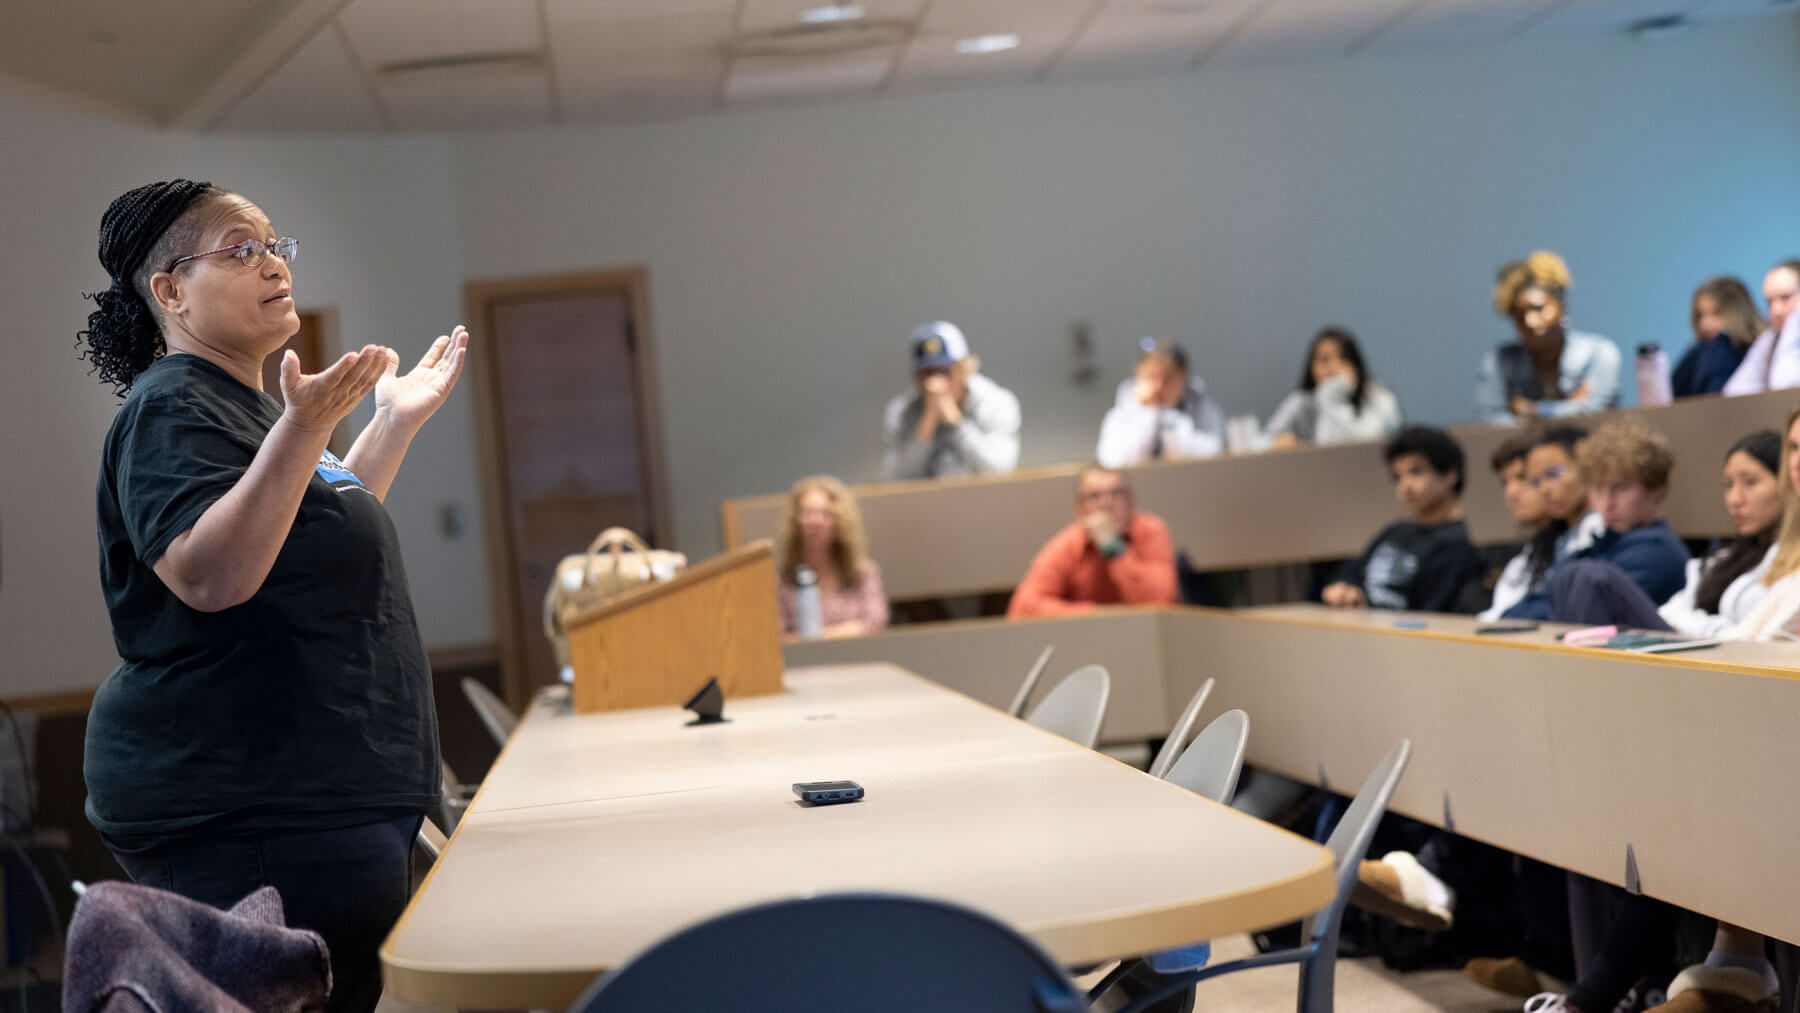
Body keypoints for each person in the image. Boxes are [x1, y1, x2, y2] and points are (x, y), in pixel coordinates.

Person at [78, 180, 467, 1012]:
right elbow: (212, 576)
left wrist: (387, 425)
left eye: (274, 246)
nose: (272, 264)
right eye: (239, 249)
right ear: (171, 291)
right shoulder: (171, 406)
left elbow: (312, 537)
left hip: (317, 801)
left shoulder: (248, 410)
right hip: (254, 811)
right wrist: (304, 425)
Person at [1507, 421, 1690, 622]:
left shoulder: (1656, 552)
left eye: (1620, 488)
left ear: (1657, 490)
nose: (1607, 503)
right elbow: (1542, 597)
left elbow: (1570, 608)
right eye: (1598, 489)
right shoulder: (1602, 542)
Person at [1321, 427, 1485, 612]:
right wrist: (1344, 588)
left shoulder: (1456, 548)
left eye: (1416, 472)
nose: (1404, 486)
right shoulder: (1396, 531)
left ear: (1449, 475)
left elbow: (1429, 618)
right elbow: (1351, 572)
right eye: (1398, 477)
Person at [1006, 465, 1178, 617]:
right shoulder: (1069, 543)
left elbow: (1161, 604)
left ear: (1131, 500)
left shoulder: (1151, 532)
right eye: (1095, 497)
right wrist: (1094, 615)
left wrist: (1114, 547)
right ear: (1079, 508)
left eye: (1116, 494)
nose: (1106, 504)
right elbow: (1023, 608)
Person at [1475, 251, 1622, 425]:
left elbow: (1595, 413)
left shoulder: (1599, 353)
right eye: (1520, 315)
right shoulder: (1499, 362)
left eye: (1538, 309)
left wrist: (1530, 409)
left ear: (1561, 307)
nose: (1529, 321)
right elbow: (1488, 421)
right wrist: (1571, 406)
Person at [881, 320, 1021, 480]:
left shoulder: (996, 402)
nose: (934, 384)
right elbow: (894, 482)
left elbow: (1000, 471)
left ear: (964, 368)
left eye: (943, 371)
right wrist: (926, 425)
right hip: (925, 504)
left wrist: (956, 424)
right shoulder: (902, 412)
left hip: (984, 502)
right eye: (926, 373)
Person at [775, 475, 889, 639]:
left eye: (826, 513)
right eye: (808, 512)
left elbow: (875, 622)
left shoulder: (863, 573)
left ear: (841, 522)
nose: (816, 521)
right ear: (795, 521)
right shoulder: (781, 581)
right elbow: (778, 638)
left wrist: (814, 638)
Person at [1095, 337, 1226, 466]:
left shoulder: (1205, 411)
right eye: (1151, 376)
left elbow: (1212, 455)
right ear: (1138, 375)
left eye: (1168, 379)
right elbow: (1113, 461)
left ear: (1183, 379)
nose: (1158, 386)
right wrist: (1149, 412)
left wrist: (1168, 416)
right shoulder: (1119, 416)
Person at [1265, 327, 1403, 447]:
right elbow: (1265, 439)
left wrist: (1332, 396)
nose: (1333, 366)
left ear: (1354, 363)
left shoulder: (1377, 395)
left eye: (1342, 358)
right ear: (1311, 366)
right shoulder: (1301, 401)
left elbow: (1367, 443)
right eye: (1324, 360)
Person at [1478, 431, 1551, 621]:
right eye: (1505, 483)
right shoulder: (1524, 556)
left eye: (1523, 477)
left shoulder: (1580, 547)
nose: (1511, 492)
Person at [1671, 276, 1765, 398]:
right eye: (1700, 315)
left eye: (1716, 313)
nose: (1705, 324)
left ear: (1738, 313)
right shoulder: (1697, 354)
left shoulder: (1762, 348)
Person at [1720, 259, 1800, 396]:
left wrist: (1795, 322)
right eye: (1769, 302)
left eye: (1785, 297)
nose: (1776, 311)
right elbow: (1733, 394)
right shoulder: (1770, 339)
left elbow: (1788, 387)